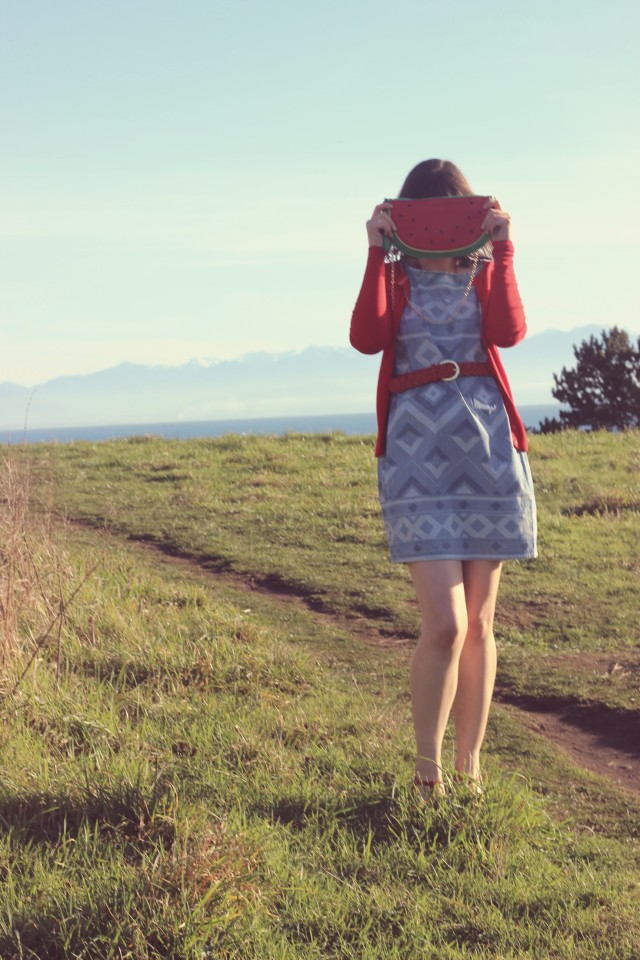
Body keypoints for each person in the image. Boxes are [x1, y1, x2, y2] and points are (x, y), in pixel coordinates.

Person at [350, 159, 537, 800]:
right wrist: (377, 252)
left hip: (486, 450)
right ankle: (427, 774)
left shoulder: (483, 273)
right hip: (414, 454)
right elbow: (366, 337)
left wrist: (503, 247)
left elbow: (508, 333)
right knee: (447, 625)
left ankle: (471, 771)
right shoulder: (395, 277)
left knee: (481, 623)